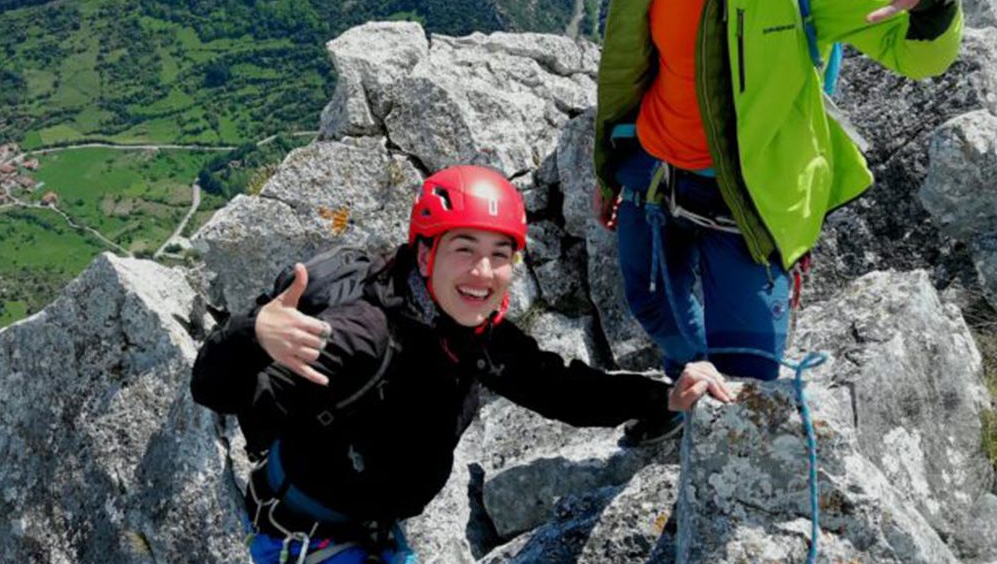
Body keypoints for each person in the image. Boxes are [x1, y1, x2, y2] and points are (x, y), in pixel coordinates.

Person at [191, 165, 731, 564]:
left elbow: (557, 388)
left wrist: (662, 396)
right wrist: (253, 331)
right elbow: (215, 390)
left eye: (501, 254)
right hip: (311, 539)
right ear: (426, 254)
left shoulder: (474, 334)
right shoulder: (363, 336)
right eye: (464, 248)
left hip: (369, 526)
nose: (483, 270)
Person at [592, 0, 963, 441]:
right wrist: (610, 167)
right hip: (651, 170)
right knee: (651, 305)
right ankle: (682, 391)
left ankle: (716, 427)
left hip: (749, 195)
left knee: (749, 380)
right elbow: (632, 67)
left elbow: (916, 58)